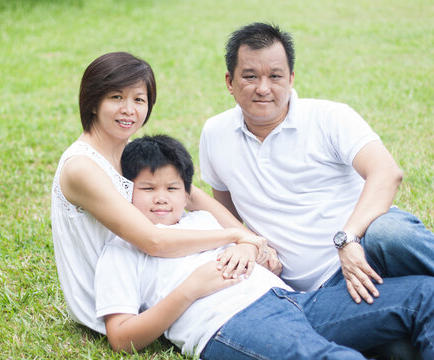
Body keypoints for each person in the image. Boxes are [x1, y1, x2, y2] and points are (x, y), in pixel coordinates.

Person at [95, 134, 434, 359]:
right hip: (231, 323)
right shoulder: (121, 252)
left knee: (429, 294)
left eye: (172, 189)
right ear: (126, 191)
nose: (161, 199)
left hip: (295, 301)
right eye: (148, 189)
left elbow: (252, 242)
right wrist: (190, 290)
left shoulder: (202, 221)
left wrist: (249, 247)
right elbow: (122, 338)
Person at [199, 22, 434, 305]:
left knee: (390, 232)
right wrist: (252, 246)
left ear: (290, 78)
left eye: (275, 76)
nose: (263, 88)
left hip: (365, 247)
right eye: (250, 76)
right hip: (318, 292)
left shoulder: (329, 117)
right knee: (405, 339)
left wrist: (348, 239)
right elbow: (226, 216)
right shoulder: (215, 134)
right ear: (229, 81)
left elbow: (386, 172)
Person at [51, 52, 271, 335]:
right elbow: (153, 241)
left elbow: (191, 196)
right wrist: (234, 236)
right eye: (116, 98)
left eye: (139, 100)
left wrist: (249, 241)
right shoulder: (82, 167)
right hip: (114, 304)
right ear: (93, 103)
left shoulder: (127, 151)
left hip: (148, 281)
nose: (129, 109)